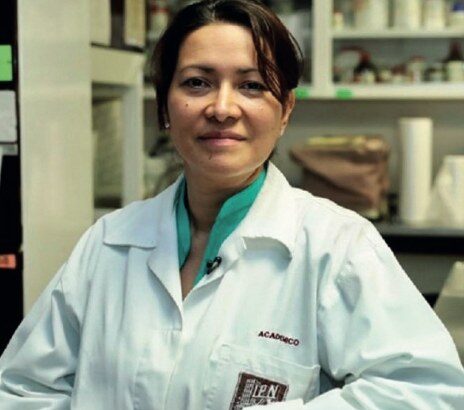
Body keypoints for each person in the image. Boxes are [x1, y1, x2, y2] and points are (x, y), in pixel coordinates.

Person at [1, 0, 463, 408]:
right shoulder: (107, 244)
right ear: (164, 107)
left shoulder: (337, 247)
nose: (222, 108)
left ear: (285, 111)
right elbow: (22, 389)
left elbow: (425, 392)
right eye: (197, 83)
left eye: (252, 86)